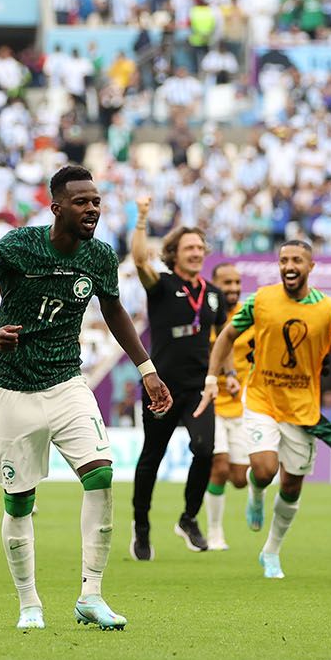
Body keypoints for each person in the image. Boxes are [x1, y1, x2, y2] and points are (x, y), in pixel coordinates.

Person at [0, 165, 172, 631]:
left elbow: (113, 310)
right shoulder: (15, 246)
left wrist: (147, 368)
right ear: (57, 207)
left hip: (66, 385)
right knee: (18, 500)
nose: (92, 208)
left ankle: (91, 595)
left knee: (101, 475)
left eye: (96, 201)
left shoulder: (98, 256)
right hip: (12, 391)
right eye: (82, 201)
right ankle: (29, 603)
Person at [196, 240, 331, 579]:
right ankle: (255, 492)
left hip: (303, 409)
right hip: (260, 398)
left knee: (292, 486)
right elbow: (225, 336)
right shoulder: (261, 301)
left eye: (297, 259)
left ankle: (271, 550)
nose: (289, 265)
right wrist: (213, 376)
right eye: (283, 260)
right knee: (265, 470)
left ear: (311, 266)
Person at [128, 198, 225, 559]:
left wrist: (222, 373)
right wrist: (141, 217)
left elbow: (224, 339)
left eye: (200, 247)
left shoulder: (213, 296)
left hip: (198, 388)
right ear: (174, 254)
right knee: (152, 455)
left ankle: (188, 518)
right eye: (189, 248)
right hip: (162, 386)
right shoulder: (162, 284)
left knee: (205, 450)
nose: (197, 253)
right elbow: (139, 259)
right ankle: (141, 526)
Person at [202, 262, 252, 551]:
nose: (232, 288)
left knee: (240, 478)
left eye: (236, 282)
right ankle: (214, 531)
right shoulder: (204, 315)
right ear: (214, 285)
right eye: (226, 283)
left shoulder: (250, 314)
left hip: (244, 403)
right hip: (211, 401)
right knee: (219, 468)